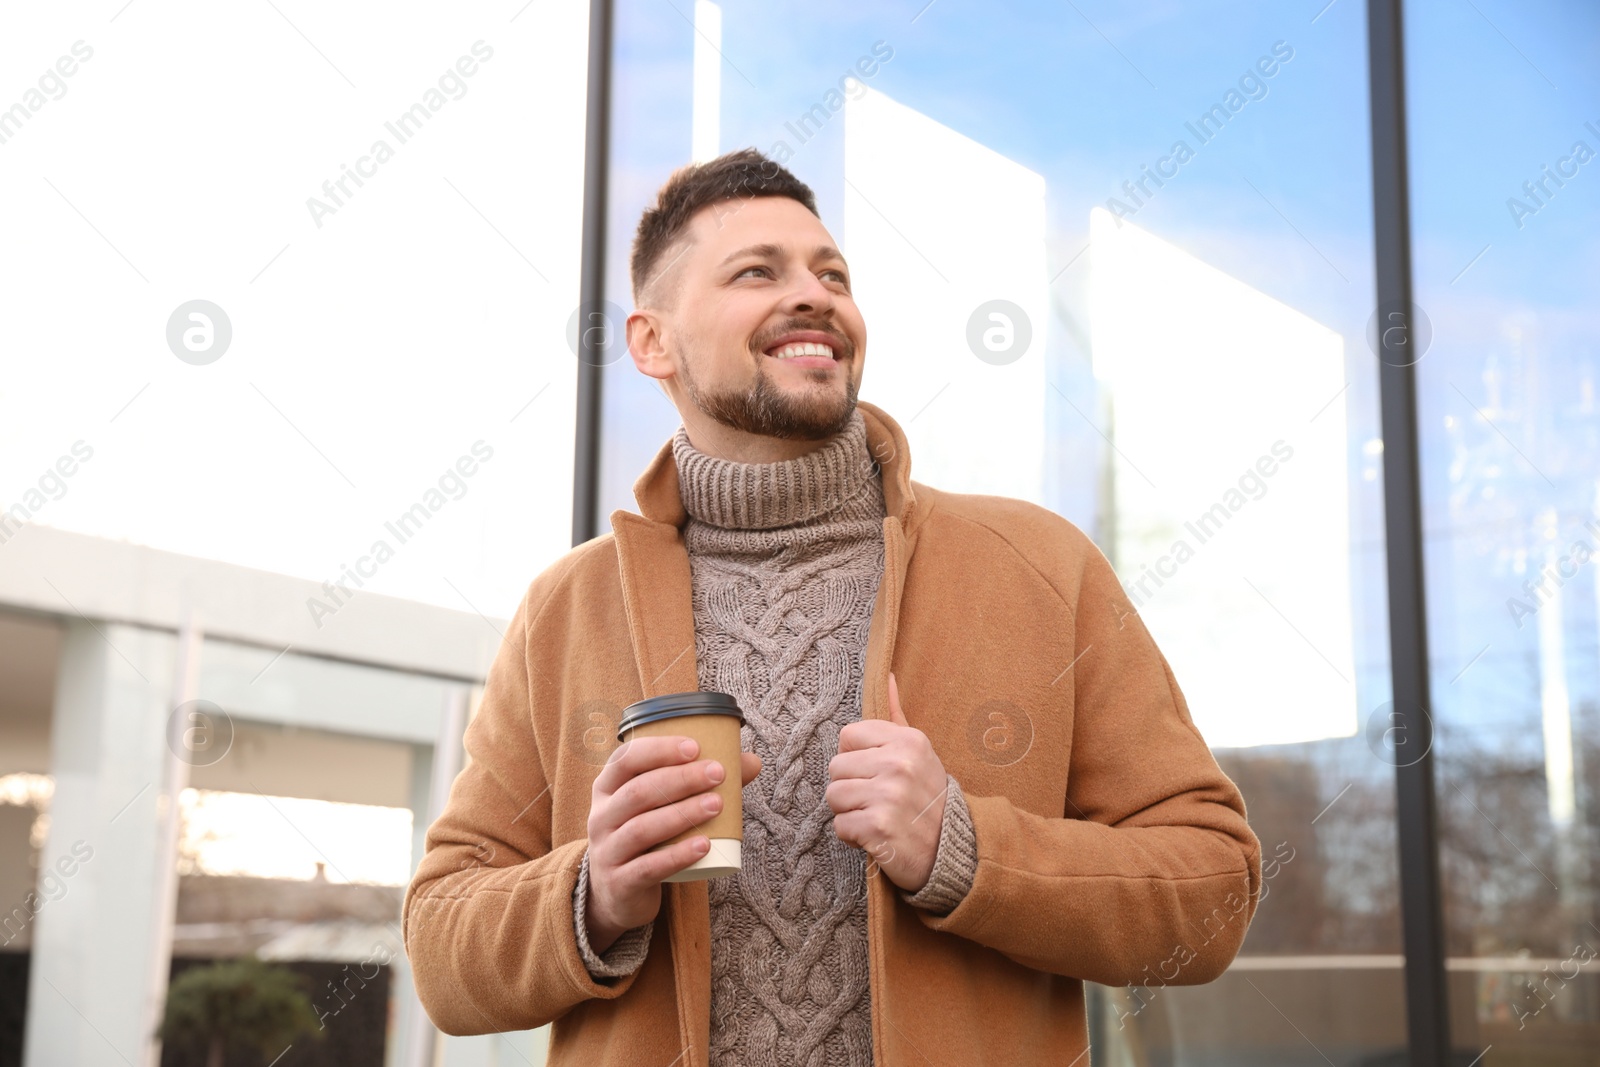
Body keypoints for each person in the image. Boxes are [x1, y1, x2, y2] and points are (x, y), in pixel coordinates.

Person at [404, 147, 1263, 1066]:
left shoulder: (1038, 566)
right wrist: (593, 889)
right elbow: (441, 953)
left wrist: (967, 849)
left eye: (832, 274)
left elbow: (1212, 889)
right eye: (756, 272)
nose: (814, 295)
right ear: (652, 340)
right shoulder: (563, 610)